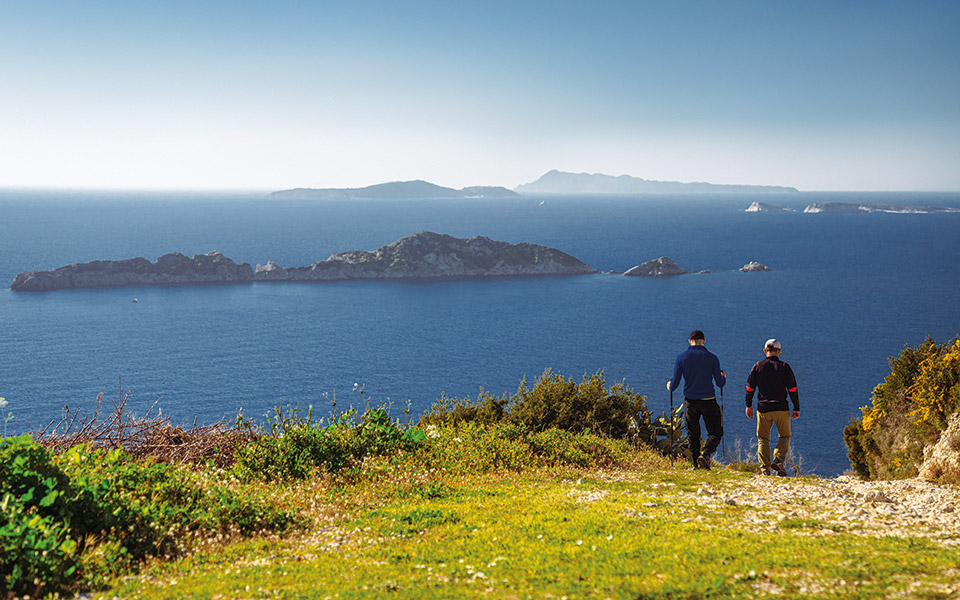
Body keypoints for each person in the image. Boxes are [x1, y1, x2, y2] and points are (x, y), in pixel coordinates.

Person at [666, 330, 726, 469]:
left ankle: (695, 464)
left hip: (691, 401)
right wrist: (723, 377)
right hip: (708, 400)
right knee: (716, 432)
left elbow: (674, 384)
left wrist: (669, 385)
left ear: (690, 341)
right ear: (704, 341)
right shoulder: (712, 358)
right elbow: (720, 383)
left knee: (693, 434)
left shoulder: (681, 358)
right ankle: (705, 454)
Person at [745, 338, 800, 476]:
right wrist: (796, 407)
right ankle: (778, 460)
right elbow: (792, 389)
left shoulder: (758, 366)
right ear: (779, 351)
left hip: (763, 409)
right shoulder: (784, 367)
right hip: (781, 408)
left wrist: (748, 405)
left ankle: (765, 470)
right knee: (784, 436)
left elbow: (750, 388)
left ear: (765, 351)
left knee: (763, 439)